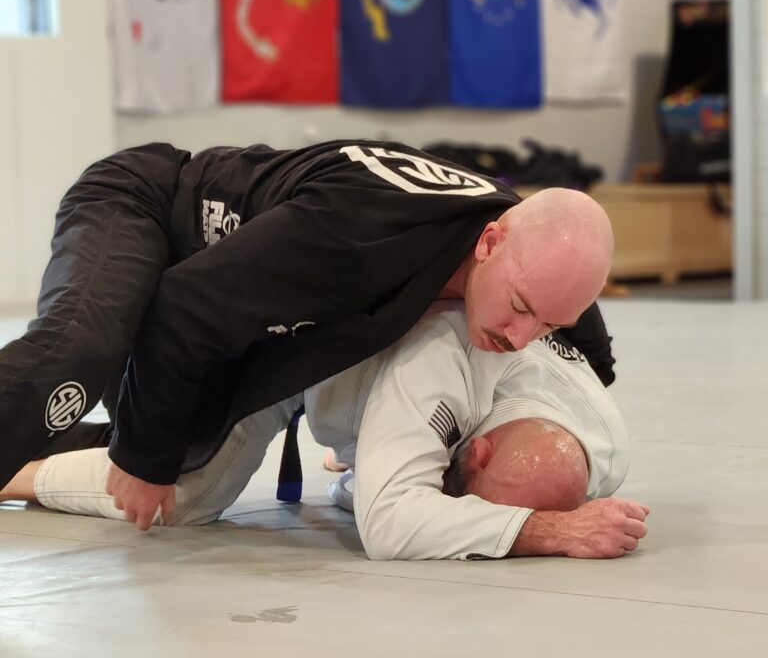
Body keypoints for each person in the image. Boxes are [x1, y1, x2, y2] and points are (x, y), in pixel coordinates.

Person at [0, 140, 616, 531]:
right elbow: (183, 307)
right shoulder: (361, 236)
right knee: (77, 363)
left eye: (548, 325)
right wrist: (142, 460)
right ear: (488, 242)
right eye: (519, 309)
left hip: (228, 302)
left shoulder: (531, 262)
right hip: (145, 209)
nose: (522, 335)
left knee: (186, 445)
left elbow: (579, 336)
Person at [0, 302, 648, 559]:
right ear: (474, 448)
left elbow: (392, 494)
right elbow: (391, 523)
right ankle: (14, 472)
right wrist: (549, 531)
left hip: (369, 370)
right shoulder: (444, 370)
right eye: (466, 488)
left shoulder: (598, 447)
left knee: (381, 473)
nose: (458, 498)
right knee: (189, 493)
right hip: (292, 345)